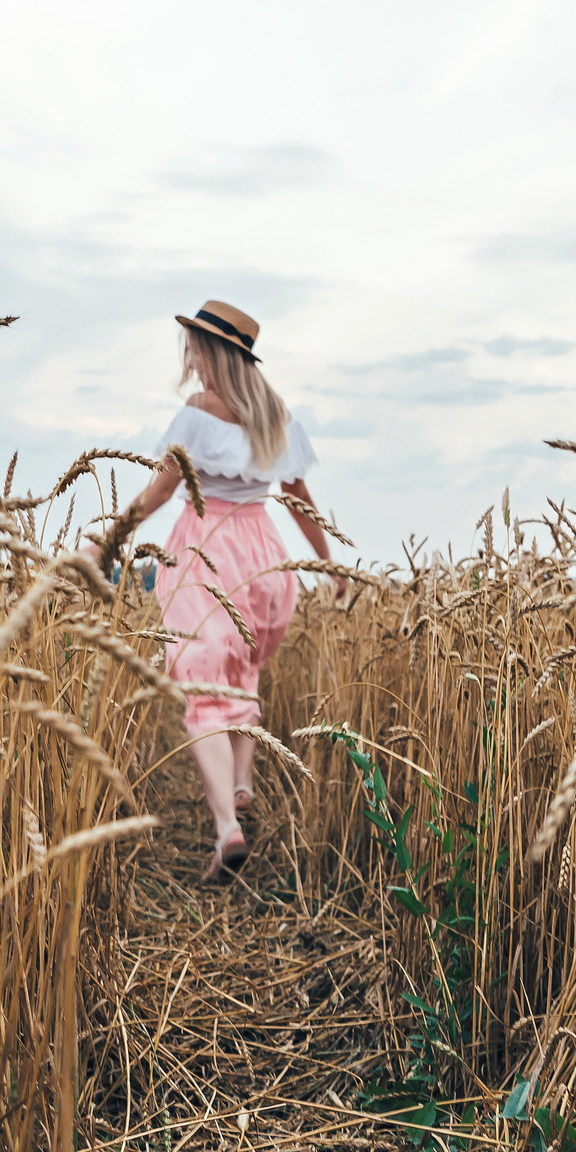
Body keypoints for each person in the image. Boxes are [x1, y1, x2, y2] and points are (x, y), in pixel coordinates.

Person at [100, 300, 345, 883]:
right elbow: (301, 501)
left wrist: (107, 543)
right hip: (264, 556)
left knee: (201, 686)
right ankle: (240, 784)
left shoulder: (197, 412)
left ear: (209, 352)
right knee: (242, 672)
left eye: (192, 346)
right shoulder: (276, 415)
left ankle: (225, 830)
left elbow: (160, 493)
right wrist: (331, 565)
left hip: (206, 550)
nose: (188, 356)